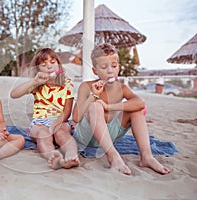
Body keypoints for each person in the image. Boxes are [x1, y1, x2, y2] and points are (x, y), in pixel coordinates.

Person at [72, 43, 172, 175]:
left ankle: (147, 156)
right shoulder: (86, 86)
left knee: (135, 110)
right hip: (87, 136)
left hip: (110, 134)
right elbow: (76, 117)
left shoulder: (122, 88)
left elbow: (140, 103)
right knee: (95, 106)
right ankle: (113, 157)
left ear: (118, 67)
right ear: (95, 71)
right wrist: (94, 96)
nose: (110, 71)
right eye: (104, 67)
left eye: (114, 66)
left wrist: (108, 106)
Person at [10, 48, 79, 169]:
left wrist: (54, 126)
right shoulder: (37, 85)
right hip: (40, 122)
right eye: (43, 64)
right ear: (38, 69)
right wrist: (34, 81)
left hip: (60, 120)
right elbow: (14, 94)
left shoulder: (67, 83)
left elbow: (67, 112)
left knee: (62, 133)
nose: (49, 67)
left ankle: (71, 154)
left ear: (58, 64)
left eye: (53, 62)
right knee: (43, 135)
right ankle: (53, 156)